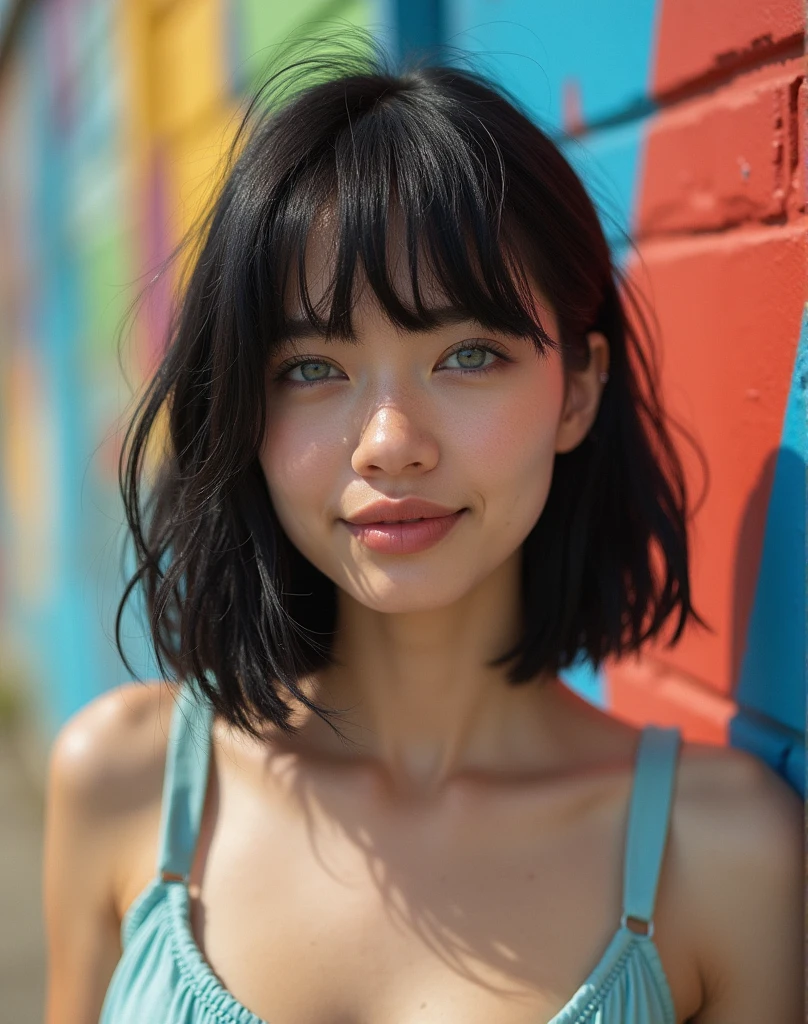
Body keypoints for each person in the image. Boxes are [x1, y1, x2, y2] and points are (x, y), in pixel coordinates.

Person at [43, 39, 803, 1024]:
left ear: (576, 389)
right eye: (311, 367)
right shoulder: (126, 784)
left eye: (469, 354)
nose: (391, 444)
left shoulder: (723, 856)